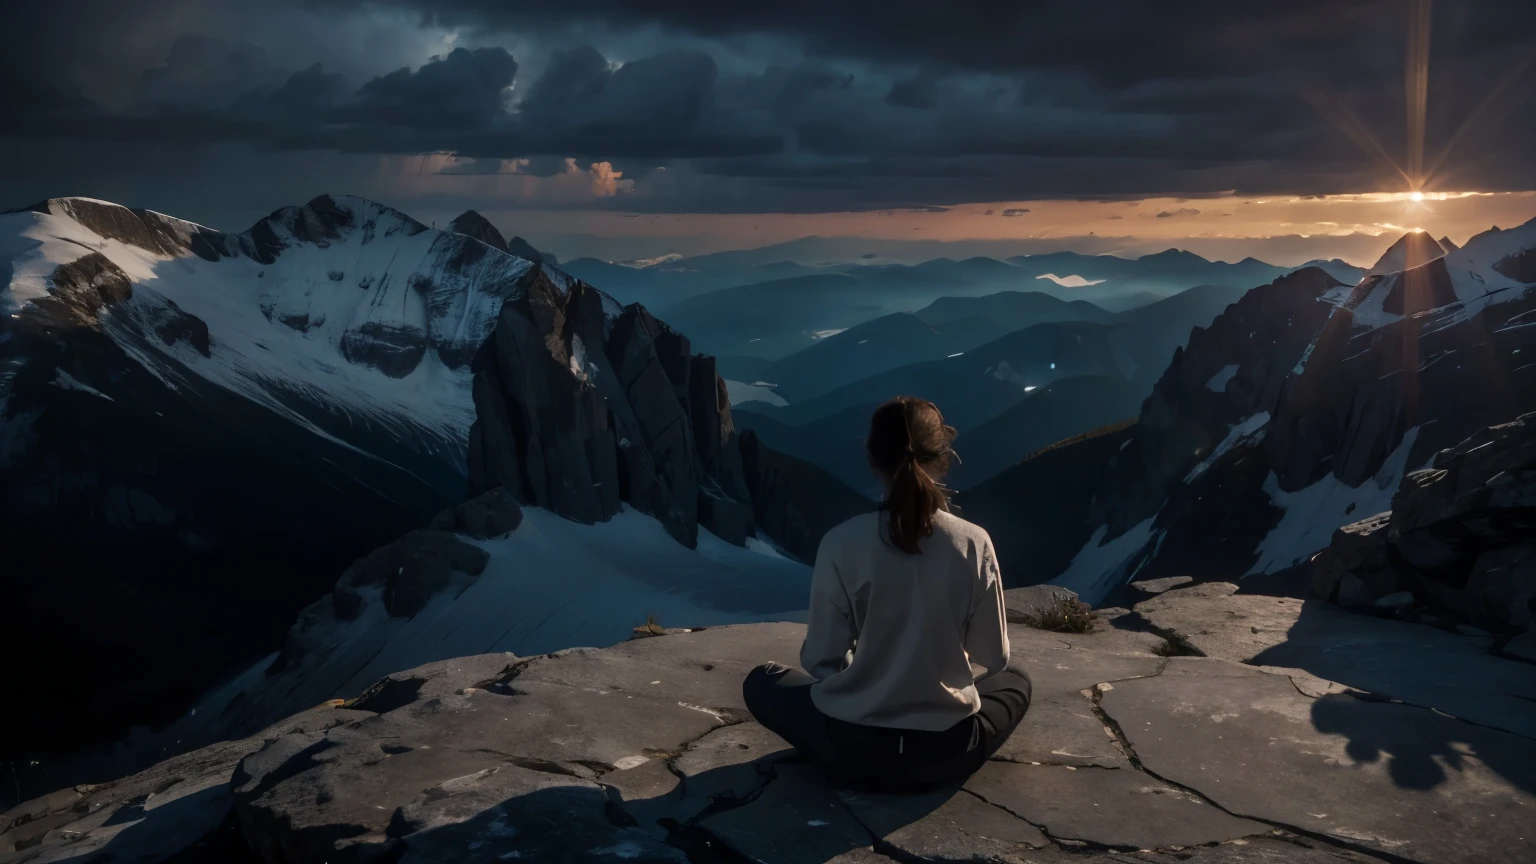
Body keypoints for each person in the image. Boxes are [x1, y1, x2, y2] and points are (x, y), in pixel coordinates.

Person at [742, 396, 1031, 792]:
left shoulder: (841, 543)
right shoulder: (973, 542)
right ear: (942, 453)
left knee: (763, 681)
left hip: (852, 748)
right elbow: (995, 658)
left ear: (871, 457)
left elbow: (821, 660)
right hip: (946, 752)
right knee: (1017, 681)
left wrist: (869, 677)